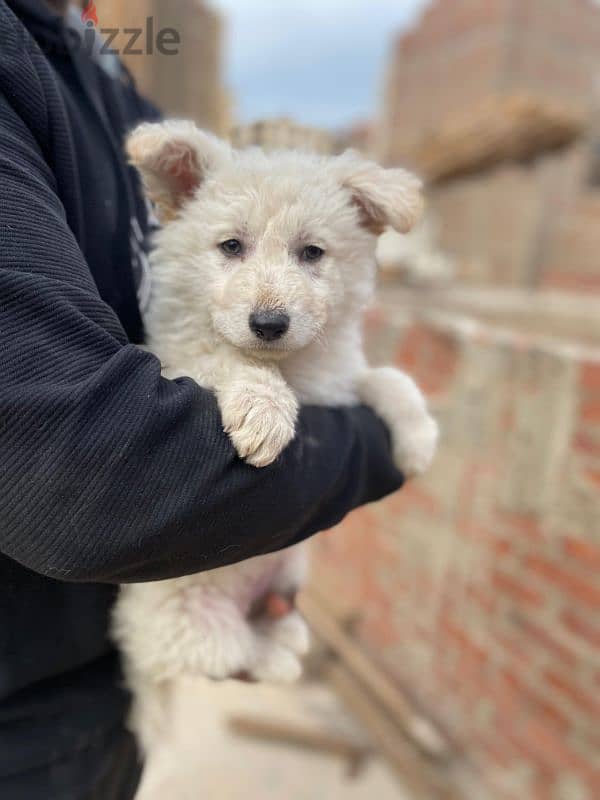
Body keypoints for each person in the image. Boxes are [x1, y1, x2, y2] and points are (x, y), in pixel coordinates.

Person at [0, 1, 404, 797]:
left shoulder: (100, 68)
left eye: (310, 252)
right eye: (233, 247)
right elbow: (84, 489)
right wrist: (370, 445)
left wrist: (264, 561)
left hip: (98, 699)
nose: (268, 295)